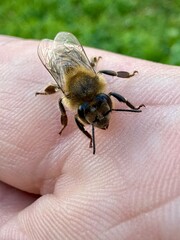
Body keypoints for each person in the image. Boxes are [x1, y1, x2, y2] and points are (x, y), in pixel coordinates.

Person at [0, 35, 180, 240]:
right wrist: (84, 134)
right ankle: (48, 92)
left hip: (82, 69)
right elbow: (67, 108)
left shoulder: (97, 84)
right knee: (59, 88)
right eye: (93, 114)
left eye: (100, 108)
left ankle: (95, 69)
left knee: (96, 72)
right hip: (66, 77)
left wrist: (128, 84)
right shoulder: (69, 95)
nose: (99, 114)